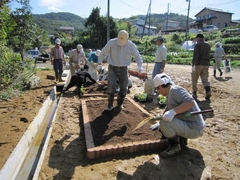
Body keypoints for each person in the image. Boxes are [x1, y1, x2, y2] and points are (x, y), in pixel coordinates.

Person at [150, 73, 206, 157]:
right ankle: (182, 138)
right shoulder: (170, 92)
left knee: (165, 123)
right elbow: (168, 110)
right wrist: (159, 122)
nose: (158, 92)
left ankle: (175, 146)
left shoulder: (175, 90)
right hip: (189, 124)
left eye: (157, 89)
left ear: (160, 86)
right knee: (164, 122)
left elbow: (190, 102)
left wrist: (173, 112)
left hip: (194, 128)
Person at [98, 30, 143, 111]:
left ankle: (119, 104)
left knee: (124, 88)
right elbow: (103, 52)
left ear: (127, 39)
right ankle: (110, 105)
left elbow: (137, 56)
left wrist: (140, 66)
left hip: (124, 68)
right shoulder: (112, 43)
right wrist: (99, 63)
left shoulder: (131, 45)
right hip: (112, 67)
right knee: (111, 86)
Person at [191, 34, 211, 100]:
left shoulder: (198, 45)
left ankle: (194, 93)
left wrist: (193, 64)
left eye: (196, 38)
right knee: (205, 79)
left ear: (199, 38)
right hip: (206, 64)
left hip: (199, 64)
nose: (196, 40)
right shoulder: (208, 45)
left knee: (194, 79)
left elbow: (196, 55)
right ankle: (208, 91)